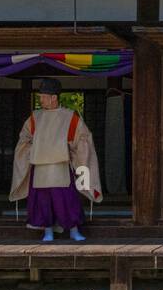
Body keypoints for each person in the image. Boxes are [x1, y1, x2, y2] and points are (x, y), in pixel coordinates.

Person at [9, 78, 103, 242]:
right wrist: (35, 148)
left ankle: (73, 230)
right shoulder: (35, 117)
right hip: (40, 168)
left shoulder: (70, 117)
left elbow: (83, 139)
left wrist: (72, 149)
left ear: (54, 97)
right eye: (40, 96)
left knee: (67, 199)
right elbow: (24, 139)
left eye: (43, 96)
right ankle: (48, 231)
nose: (41, 99)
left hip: (61, 166)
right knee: (43, 201)